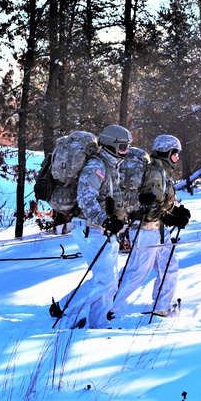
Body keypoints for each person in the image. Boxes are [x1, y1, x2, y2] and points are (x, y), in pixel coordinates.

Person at [51, 125, 132, 329]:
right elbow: (85, 196)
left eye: (128, 147)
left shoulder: (111, 165)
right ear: (110, 145)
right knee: (105, 278)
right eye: (123, 147)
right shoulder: (97, 165)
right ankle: (65, 311)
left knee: (109, 281)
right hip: (90, 228)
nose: (126, 151)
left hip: (103, 229)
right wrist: (104, 220)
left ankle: (99, 323)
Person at [110, 135, 191, 320]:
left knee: (170, 267)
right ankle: (107, 307)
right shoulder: (155, 172)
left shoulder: (162, 172)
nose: (177, 159)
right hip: (146, 229)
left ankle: (161, 308)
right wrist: (169, 217)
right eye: (175, 154)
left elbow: (161, 202)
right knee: (137, 273)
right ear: (167, 153)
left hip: (158, 230)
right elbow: (149, 207)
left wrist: (177, 212)